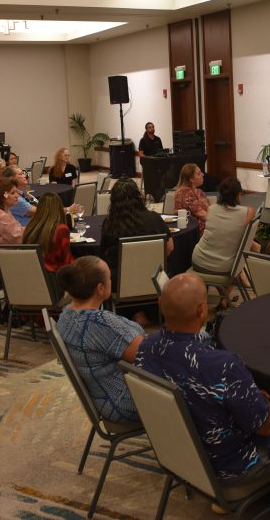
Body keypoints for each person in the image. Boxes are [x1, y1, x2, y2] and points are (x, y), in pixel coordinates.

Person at [135, 272, 270, 484]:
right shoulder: (223, 365)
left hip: (181, 457)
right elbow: (266, 426)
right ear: (201, 310)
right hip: (234, 465)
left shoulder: (145, 348)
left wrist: (247, 395)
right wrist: (266, 404)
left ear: (160, 304)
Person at [55, 256, 143, 423]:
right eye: (109, 278)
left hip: (103, 396)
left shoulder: (67, 314)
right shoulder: (100, 323)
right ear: (100, 288)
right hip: (124, 401)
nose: (112, 280)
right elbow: (147, 356)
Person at [100, 178, 173, 288]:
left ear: (113, 201)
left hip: (121, 283)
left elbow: (103, 254)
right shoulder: (154, 218)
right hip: (153, 279)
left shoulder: (110, 223)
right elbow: (170, 248)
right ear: (138, 197)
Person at [189, 177, 255, 292]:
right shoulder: (248, 212)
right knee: (234, 258)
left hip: (198, 260)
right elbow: (242, 237)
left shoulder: (211, 209)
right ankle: (224, 299)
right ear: (238, 195)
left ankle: (222, 298)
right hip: (223, 267)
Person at [23, 192, 73, 273]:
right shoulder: (61, 229)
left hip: (32, 272)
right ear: (59, 208)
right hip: (54, 275)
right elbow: (67, 261)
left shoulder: (30, 226)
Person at [173, 163, 209, 234]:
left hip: (207, 227)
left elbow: (209, 210)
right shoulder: (184, 192)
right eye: (199, 173)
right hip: (193, 232)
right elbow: (201, 214)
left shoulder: (200, 192)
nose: (203, 174)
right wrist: (218, 221)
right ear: (191, 179)